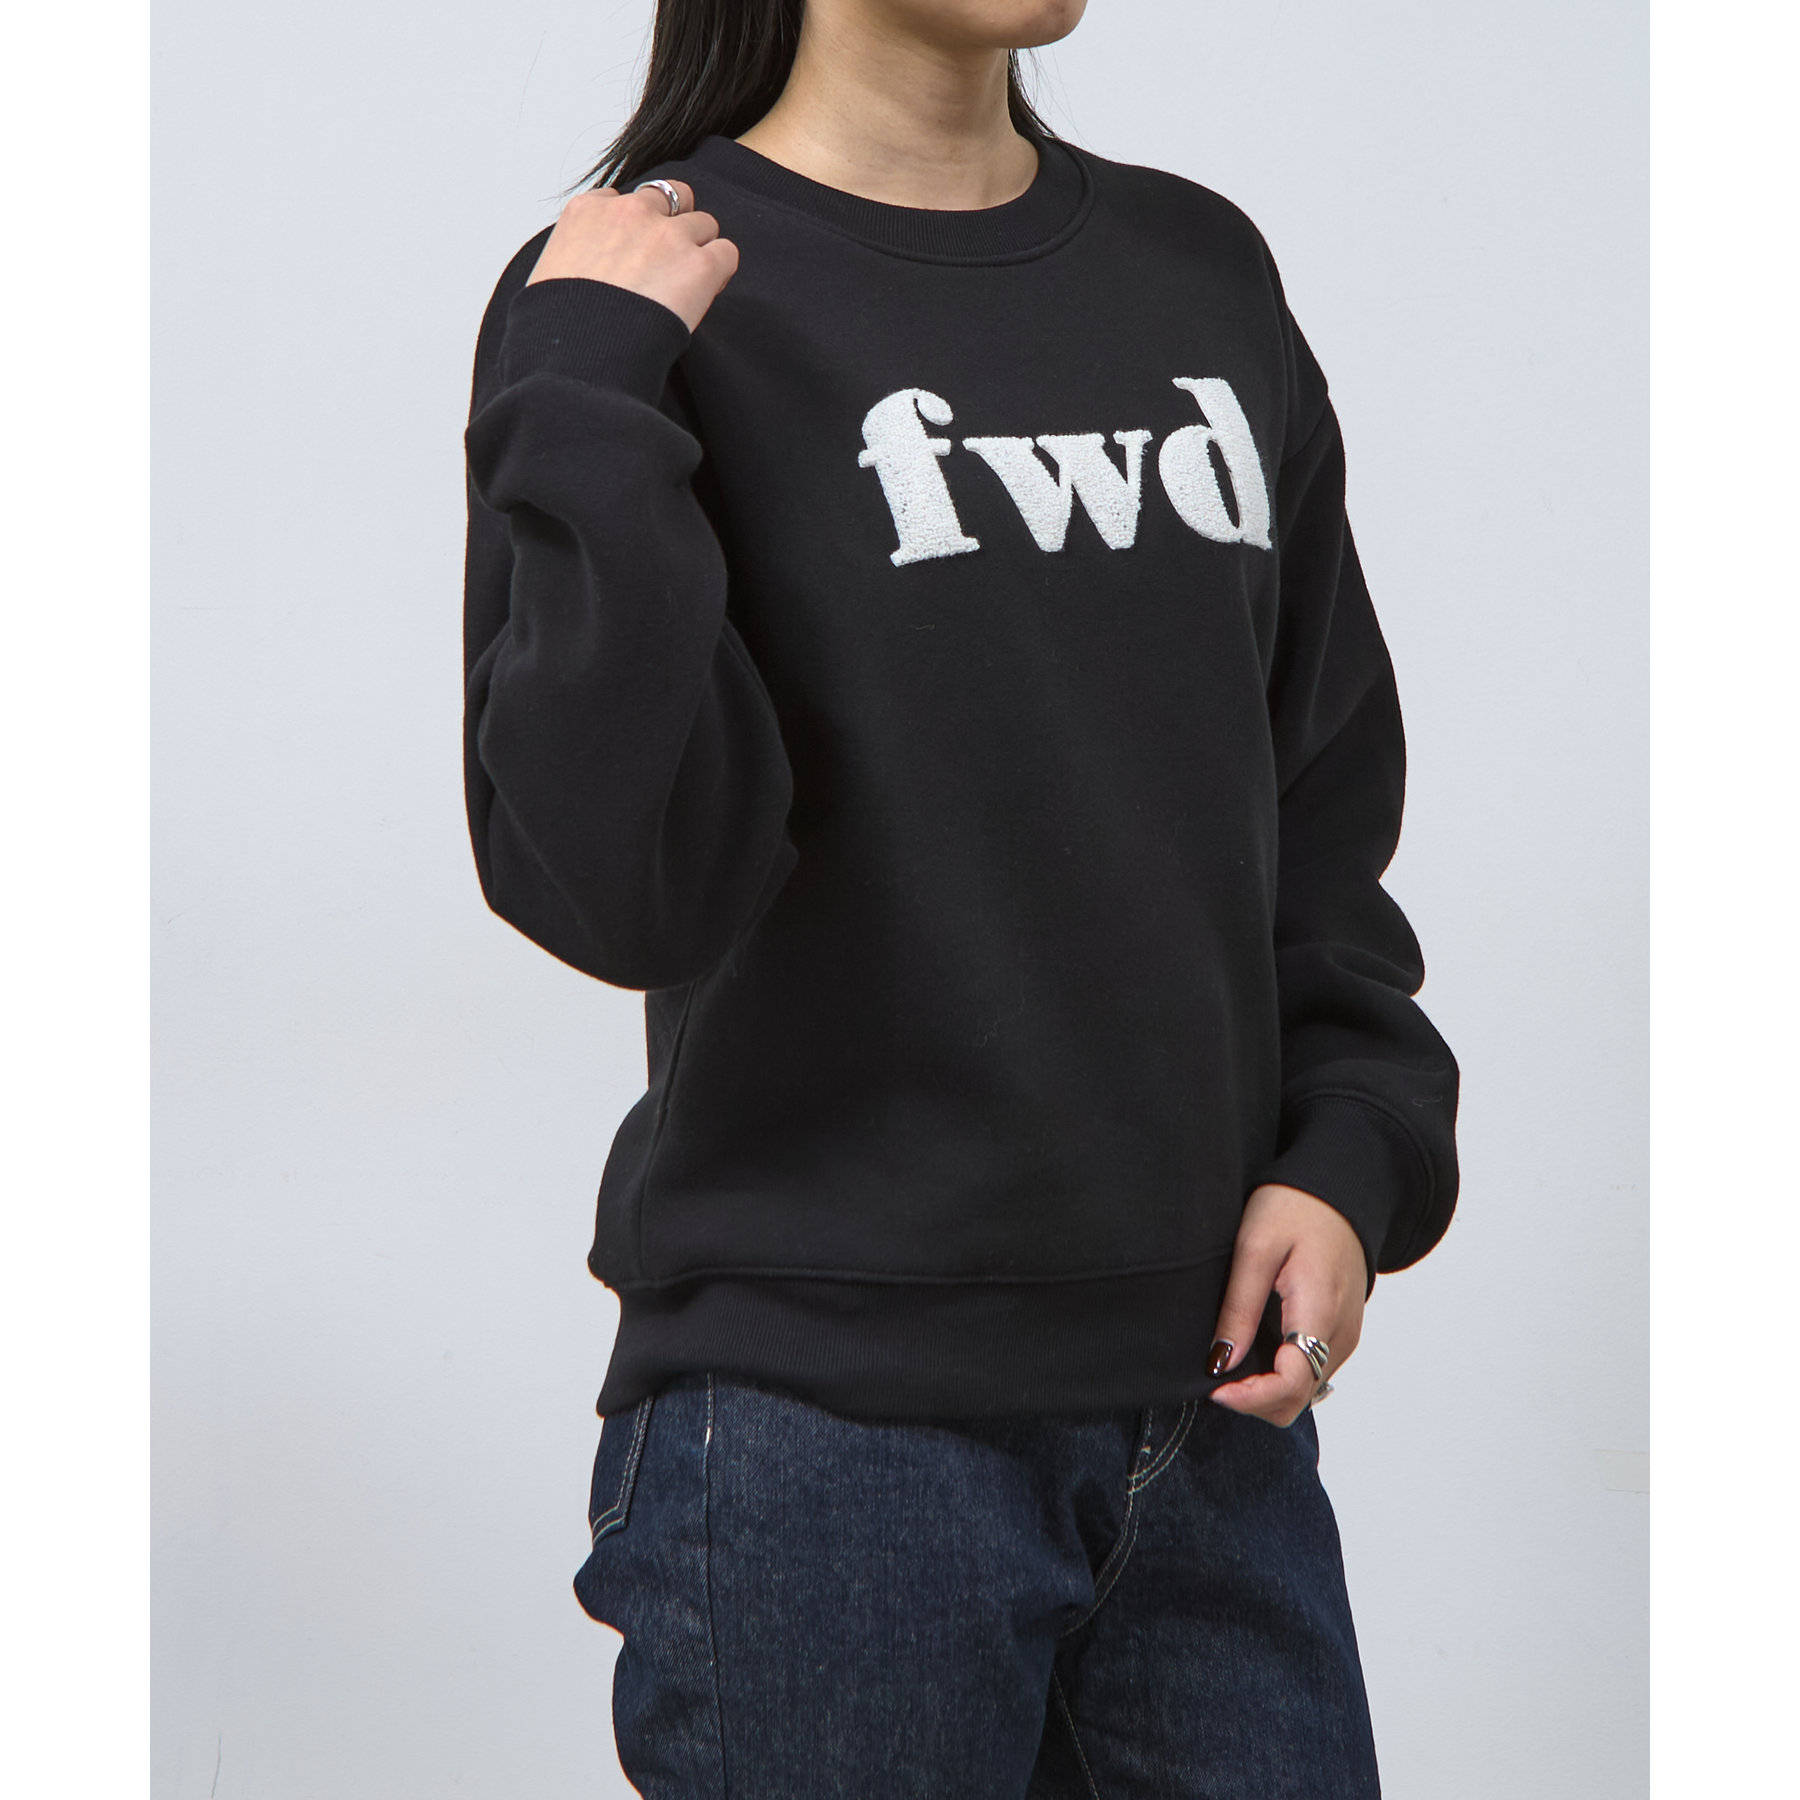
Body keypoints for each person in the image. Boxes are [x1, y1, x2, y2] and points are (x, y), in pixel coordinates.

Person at [462, 1, 1460, 1793]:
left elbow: (1314, 796)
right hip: (829, 1447)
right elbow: (614, 888)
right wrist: (590, 391)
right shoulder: (639, 294)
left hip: (1215, 1424)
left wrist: (1349, 1145)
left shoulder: (1198, 271)